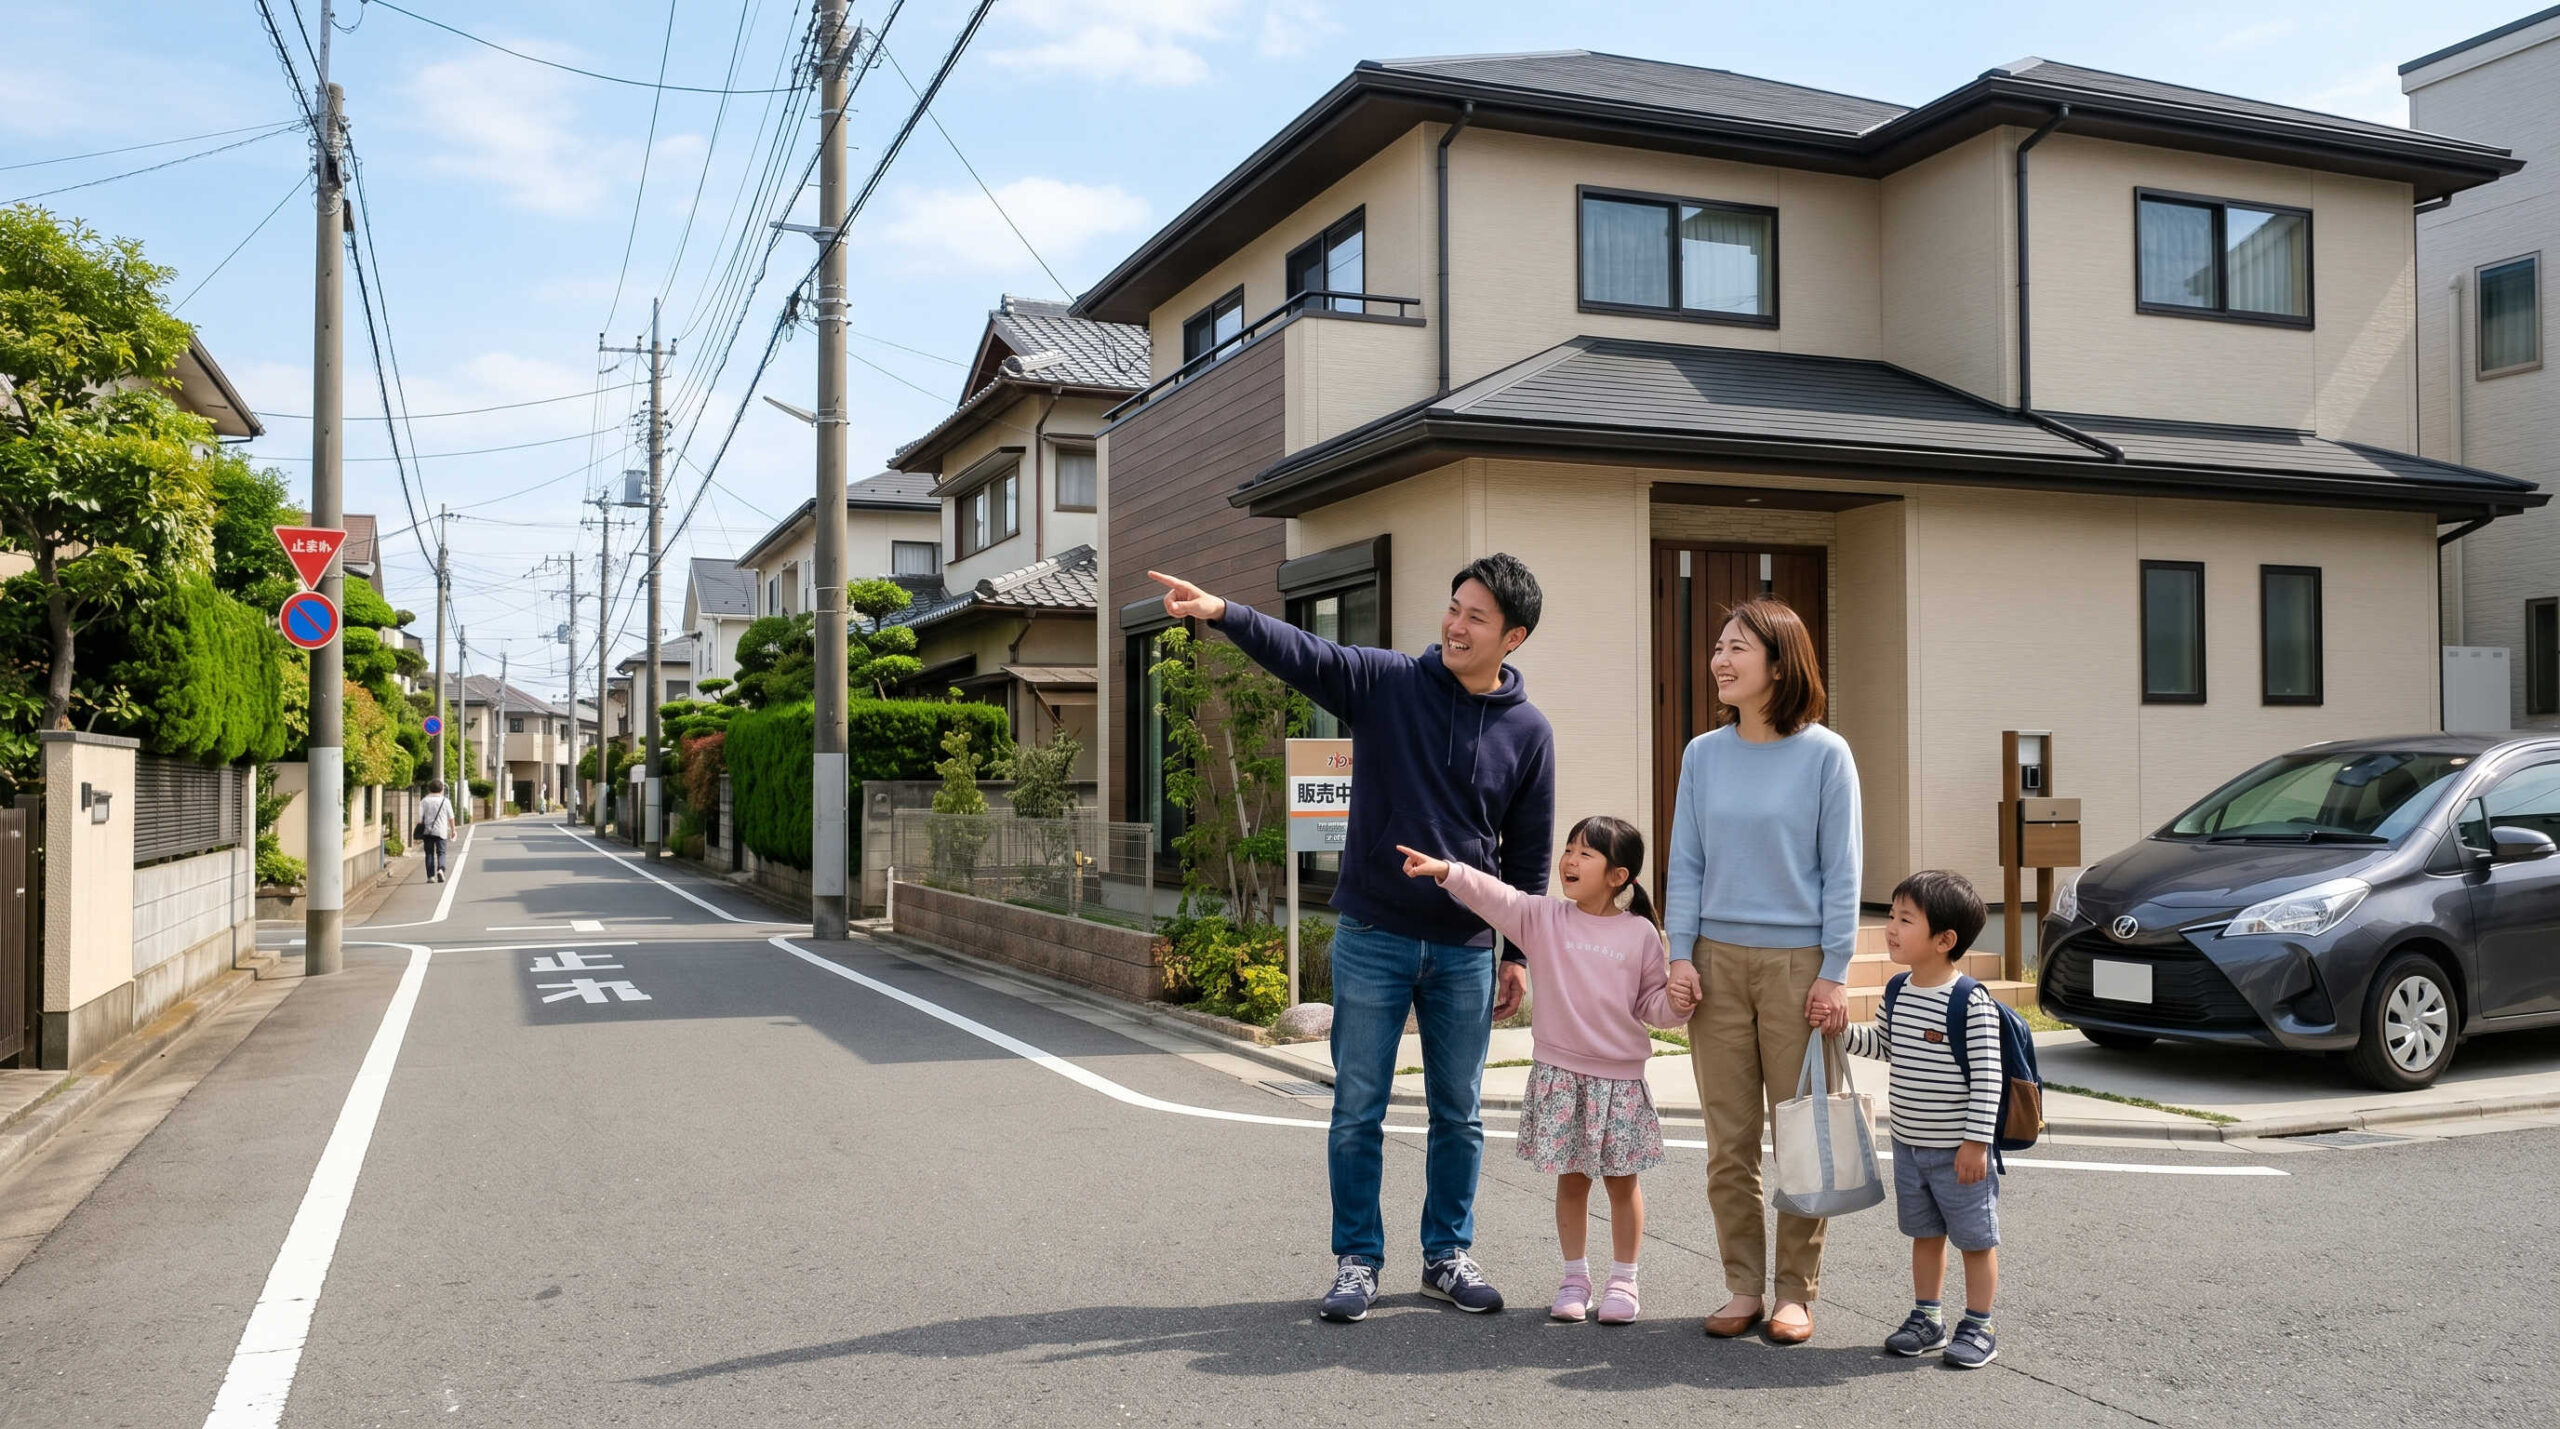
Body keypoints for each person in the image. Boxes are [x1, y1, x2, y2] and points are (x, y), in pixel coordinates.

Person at [1149, 558, 1554, 1324]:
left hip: (1467, 946)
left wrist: (1520, 953)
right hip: (1373, 932)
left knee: (1460, 1112)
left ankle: (1447, 1255)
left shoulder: (1529, 732)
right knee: (1358, 1108)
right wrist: (1222, 611)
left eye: (1475, 616)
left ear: (1514, 636)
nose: (1455, 624)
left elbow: (1527, 854)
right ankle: (1358, 1260)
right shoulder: (1389, 683)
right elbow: (1308, 653)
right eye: (1453, 606)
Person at [1661, 596, 1861, 1345]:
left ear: (1780, 662)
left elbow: (1843, 870)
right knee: (1729, 1137)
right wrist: (1679, 953)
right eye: (1718, 645)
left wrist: (1835, 969)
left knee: (1804, 1134)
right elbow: (1686, 860)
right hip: (1714, 961)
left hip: (1798, 966)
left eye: (1737, 646)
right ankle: (1742, 1284)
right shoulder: (1701, 754)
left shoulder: (1825, 754)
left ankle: (1795, 1292)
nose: (1720, 658)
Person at [1398, 815, 1681, 1325]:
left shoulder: (1639, 933)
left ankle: (1624, 1281)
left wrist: (1679, 1004)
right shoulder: (1545, 918)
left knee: (1622, 1183)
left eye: (1585, 854)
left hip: (1620, 1081)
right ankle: (1575, 1278)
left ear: (1618, 876)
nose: (1569, 860)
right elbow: (1496, 896)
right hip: (1562, 1075)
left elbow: (1653, 1006)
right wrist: (1447, 871)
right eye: (1569, 848)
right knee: (1572, 1182)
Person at [1843, 870, 2004, 1369]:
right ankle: (1927, 1317)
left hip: (1958, 1152)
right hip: (1909, 1146)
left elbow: (1988, 1077)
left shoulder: (1969, 1001)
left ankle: (1979, 1325)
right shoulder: (1898, 989)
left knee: (1975, 1241)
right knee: (1924, 1235)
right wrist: (1840, 1031)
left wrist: (1976, 1143)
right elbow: (1884, 1044)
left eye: (1904, 919)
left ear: (1944, 940)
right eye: (1891, 915)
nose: (1891, 927)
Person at [417, 780, 456, 884]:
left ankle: (430, 877)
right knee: (441, 852)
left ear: (429, 789)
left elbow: (420, 819)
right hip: (441, 831)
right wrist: (453, 830)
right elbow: (451, 817)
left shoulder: (424, 801)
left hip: (427, 831)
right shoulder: (445, 801)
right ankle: (440, 869)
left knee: (429, 853)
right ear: (441, 789)